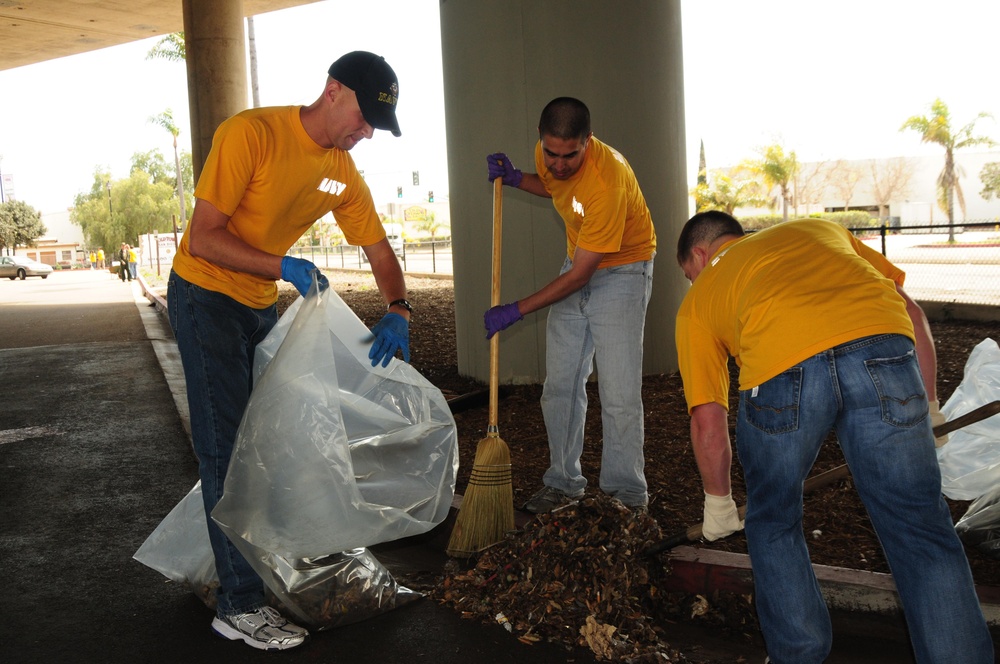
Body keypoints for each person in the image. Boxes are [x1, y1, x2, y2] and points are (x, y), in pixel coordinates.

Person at [166, 50, 411, 651]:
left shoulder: (342, 173)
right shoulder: (251, 134)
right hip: (205, 296)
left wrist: (399, 308)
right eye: (363, 118)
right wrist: (282, 265)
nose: (366, 133)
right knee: (224, 446)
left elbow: (379, 252)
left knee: (258, 443)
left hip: (256, 306)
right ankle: (240, 605)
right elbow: (203, 236)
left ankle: (224, 570)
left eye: (376, 126)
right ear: (333, 90)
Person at [674, 211, 993, 664]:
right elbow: (912, 312)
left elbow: (708, 416)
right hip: (882, 351)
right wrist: (931, 408)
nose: (693, 281)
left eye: (689, 274)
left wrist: (719, 503)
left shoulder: (700, 297)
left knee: (773, 520)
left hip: (781, 374)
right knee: (920, 527)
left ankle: (797, 654)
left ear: (700, 255)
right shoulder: (816, 229)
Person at [485, 97, 656, 514]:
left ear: (588, 142)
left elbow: (580, 277)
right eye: (551, 153)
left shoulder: (608, 180)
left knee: (617, 393)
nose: (558, 164)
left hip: (623, 271)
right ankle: (563, 483)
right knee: (559, 386)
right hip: (579, 259)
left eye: (569, 155)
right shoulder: (549, 155)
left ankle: (626, 497)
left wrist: (517, 309)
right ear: (542, 141)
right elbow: (557, 186)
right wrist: (518, 179)